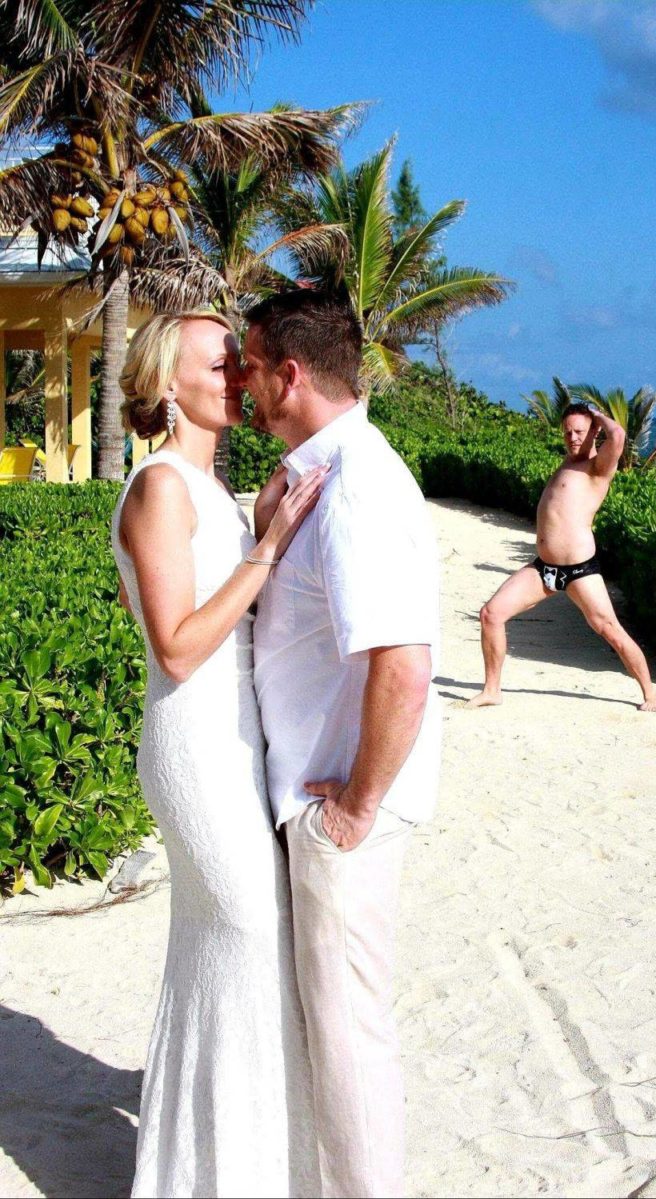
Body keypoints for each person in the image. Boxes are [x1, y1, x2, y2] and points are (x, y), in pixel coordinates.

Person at [111, 309, 327, 1199]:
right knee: (243, 931)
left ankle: (214, 1169)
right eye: (219, 363)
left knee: (229, 947)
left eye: (240, 361)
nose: (239, 374)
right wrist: (268, 547)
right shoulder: (160, 487)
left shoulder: (211, 490)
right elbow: (175, 646)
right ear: (168, 382)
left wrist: (261, 528)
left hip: (240, 741)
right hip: (194, 743)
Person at [244, 290, 441, 1199]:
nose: (243, 385)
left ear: (290, 374)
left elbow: (404, 666)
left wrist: (356, 807)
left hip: (342, 805)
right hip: (323, 790)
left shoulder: (357, 484)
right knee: (334, 1034)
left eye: (251, 367)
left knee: (350, 1038)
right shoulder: (324, 474)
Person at [468, 401, 656, 713]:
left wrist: (596, 416)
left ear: (594, 432)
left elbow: (618, 435)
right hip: (544, 569)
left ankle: (650, 694)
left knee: (610, 630)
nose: (573, 437)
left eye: (580, 432)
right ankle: (492, 690)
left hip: (580, 571)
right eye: (568, 432)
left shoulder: (598, 467)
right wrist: (583, 423)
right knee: (491, 614)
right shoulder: (567, 463)